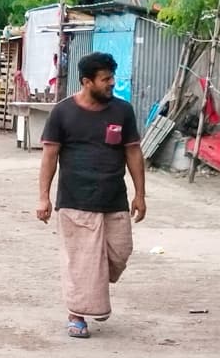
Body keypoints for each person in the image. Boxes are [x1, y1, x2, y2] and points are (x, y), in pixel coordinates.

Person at [37, 52, 146, 339]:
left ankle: (92, 287)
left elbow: (133, 152)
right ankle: (77, 316)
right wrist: (43, 197)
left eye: (112, 77)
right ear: (87, 82)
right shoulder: (63, 112)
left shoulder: (123, 111)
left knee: (120, 252)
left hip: (114, 198)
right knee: (81, 260)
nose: (112, 83)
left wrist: (140, 194)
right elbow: (50, 155)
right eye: (106, 79)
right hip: (75, 199)